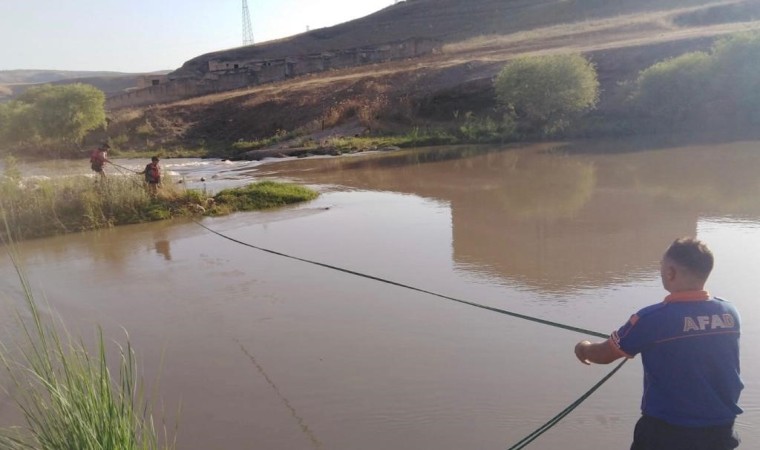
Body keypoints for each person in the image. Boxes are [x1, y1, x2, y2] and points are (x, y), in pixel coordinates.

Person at [574, 237, 742, 450]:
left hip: (667, 432)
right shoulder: (730, 313)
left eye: (662, 266)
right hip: (720, 432)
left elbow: (604, 354)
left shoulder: (652, 318)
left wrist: (583, 348)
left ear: (670, 272)